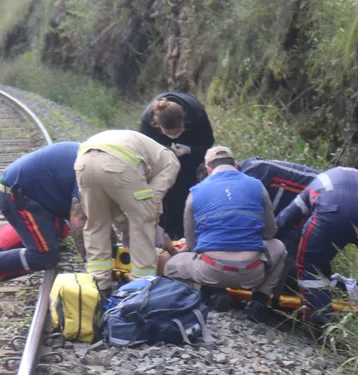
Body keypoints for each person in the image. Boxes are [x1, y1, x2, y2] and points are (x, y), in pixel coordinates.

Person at [162, 146, 286, 323]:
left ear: (208, 169)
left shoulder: (194, 193)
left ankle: (213, 292)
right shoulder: (257, 186)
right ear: (235, 165)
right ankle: (258, 302)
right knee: (279, 247)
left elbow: (192, 243)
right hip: (252, 272)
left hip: (211, 271)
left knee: (171, 266)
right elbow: (270, 232)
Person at [0, 142, 84, 293]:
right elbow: (79, 219)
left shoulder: (91, 157)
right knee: (44, 257)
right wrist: (88, 259)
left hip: (34, 194)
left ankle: (4, 249)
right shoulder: (88, 172)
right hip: (19, 195)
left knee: (61, 231)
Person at [275, 167, 358, 324]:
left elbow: (287, 217)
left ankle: (320, 321)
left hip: (331, 213)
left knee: (311, 265)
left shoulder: (316, 184)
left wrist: (268, 237)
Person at [75, 129, 180, 293]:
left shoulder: (145, 148)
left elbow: (114, 204)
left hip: (83, 163)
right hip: (119, 164)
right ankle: (141, 285)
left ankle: (99, 283)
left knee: (96, 223)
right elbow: (152, 201)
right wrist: (148, 226)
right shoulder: (171, 161)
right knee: (142, 222)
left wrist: (125, 228)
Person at [238, 158, 321, 296]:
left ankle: (267, 300)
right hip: (295, 204)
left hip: (318, 200)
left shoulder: (252, 174)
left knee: (286, 250)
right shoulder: (247, 171)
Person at [138, 92, 215, 240]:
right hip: (161, 159)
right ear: (158, 127)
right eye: (169, 134)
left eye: (177, 132)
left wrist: (190, 150)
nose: (174, 137)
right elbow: (143, 150)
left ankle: (185, 236)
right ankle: (162, 237)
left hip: (190, 159)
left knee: (186, 194)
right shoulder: (148, 120)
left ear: (184, 123)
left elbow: (208, 146)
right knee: (162, 193)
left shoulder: (197, 114)